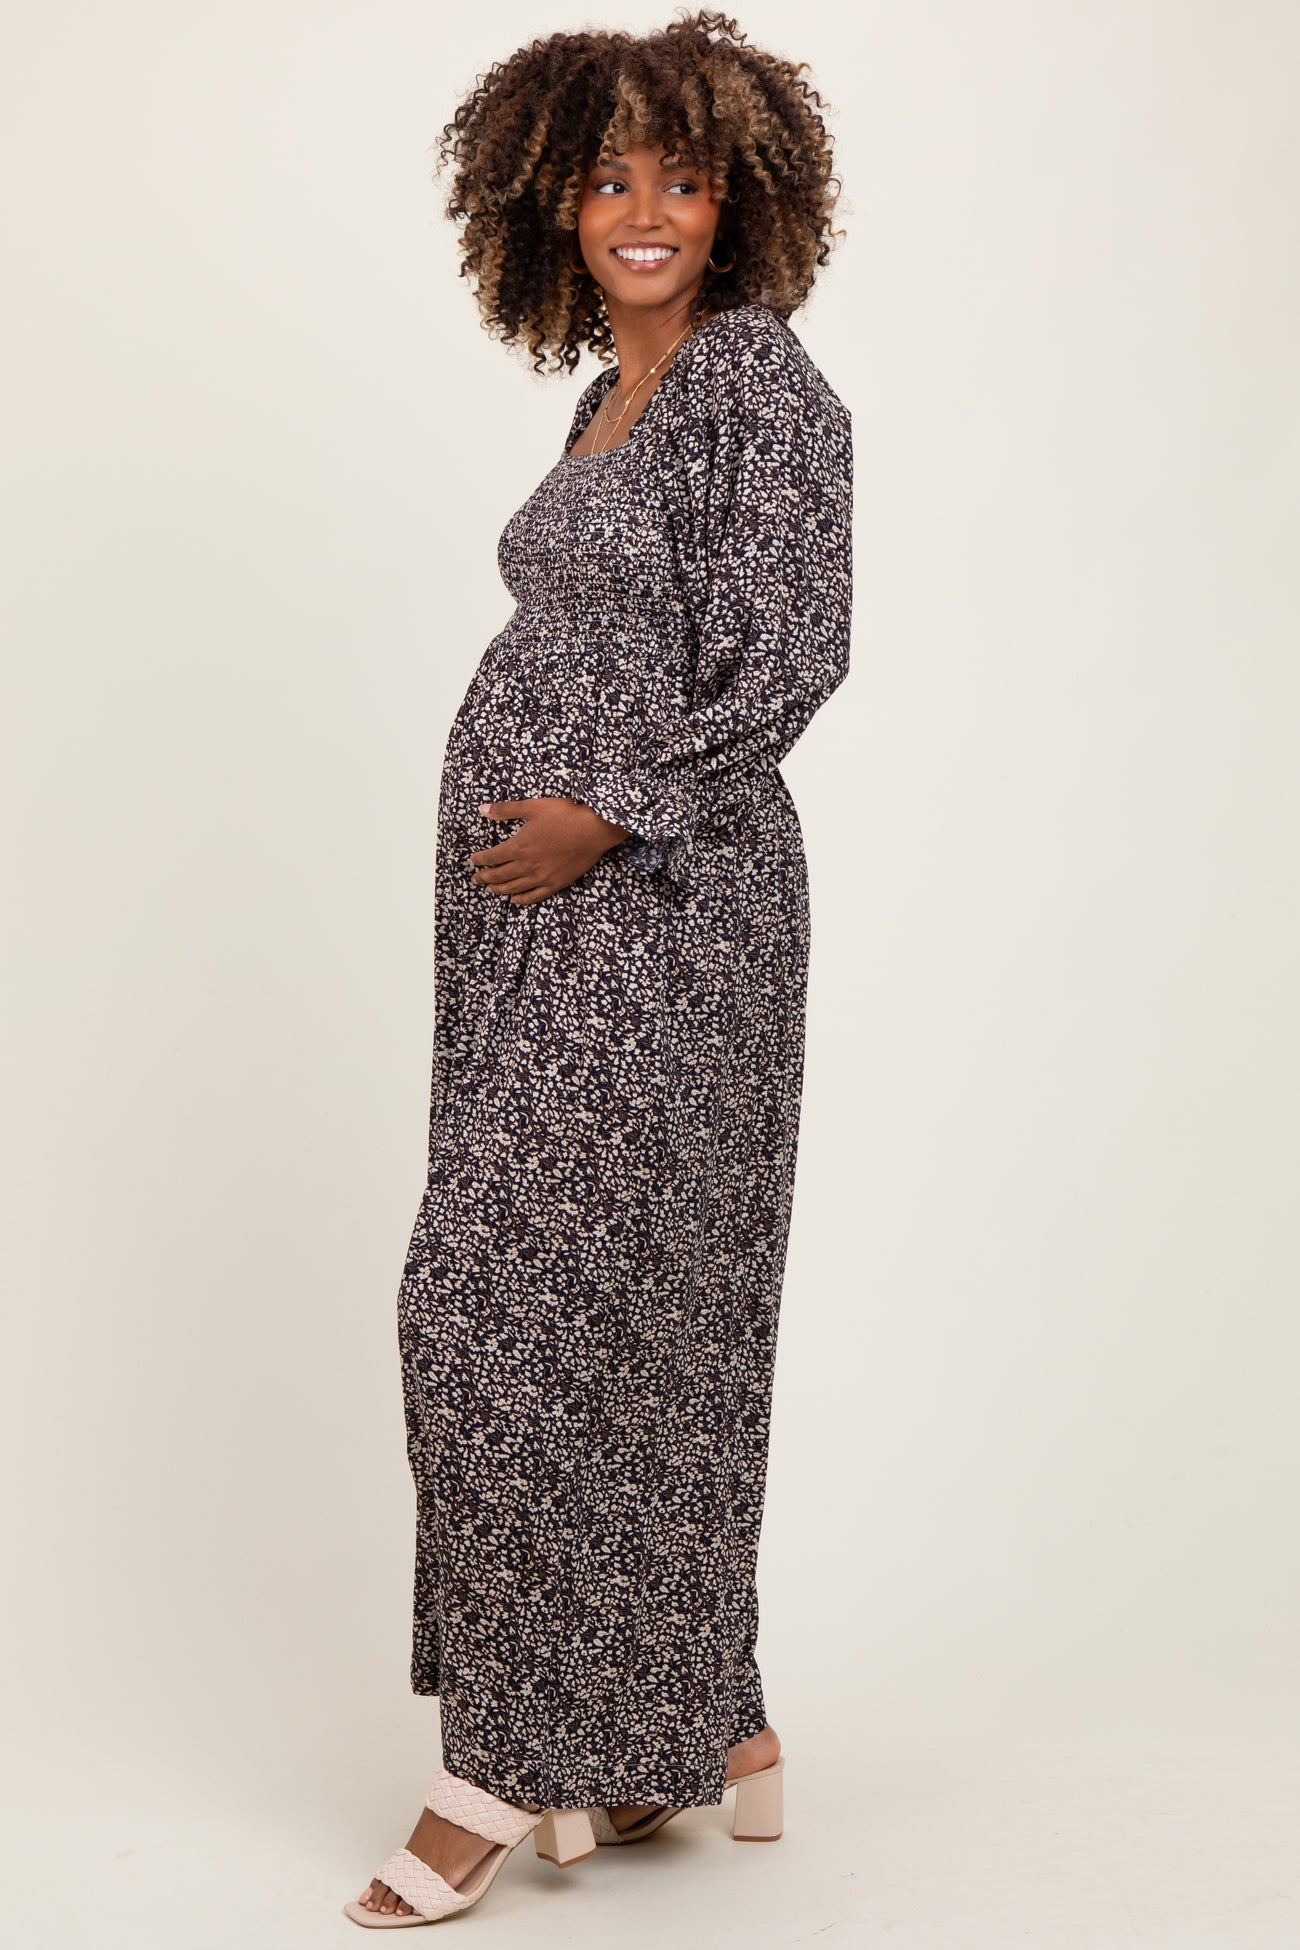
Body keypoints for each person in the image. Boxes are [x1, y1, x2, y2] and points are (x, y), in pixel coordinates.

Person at [345, 9, 853, 1927]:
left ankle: (500, 1759)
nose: (645, 209)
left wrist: (603, 814)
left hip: (671, 916)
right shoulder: (603, 397)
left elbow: (795, 650)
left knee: (524, 1311)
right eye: (608, 177)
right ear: (551, 205)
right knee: (594, 1309)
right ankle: (701, 1722)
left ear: (741, 201)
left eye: (683, 176)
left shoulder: (760, 383)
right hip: (536, 932)